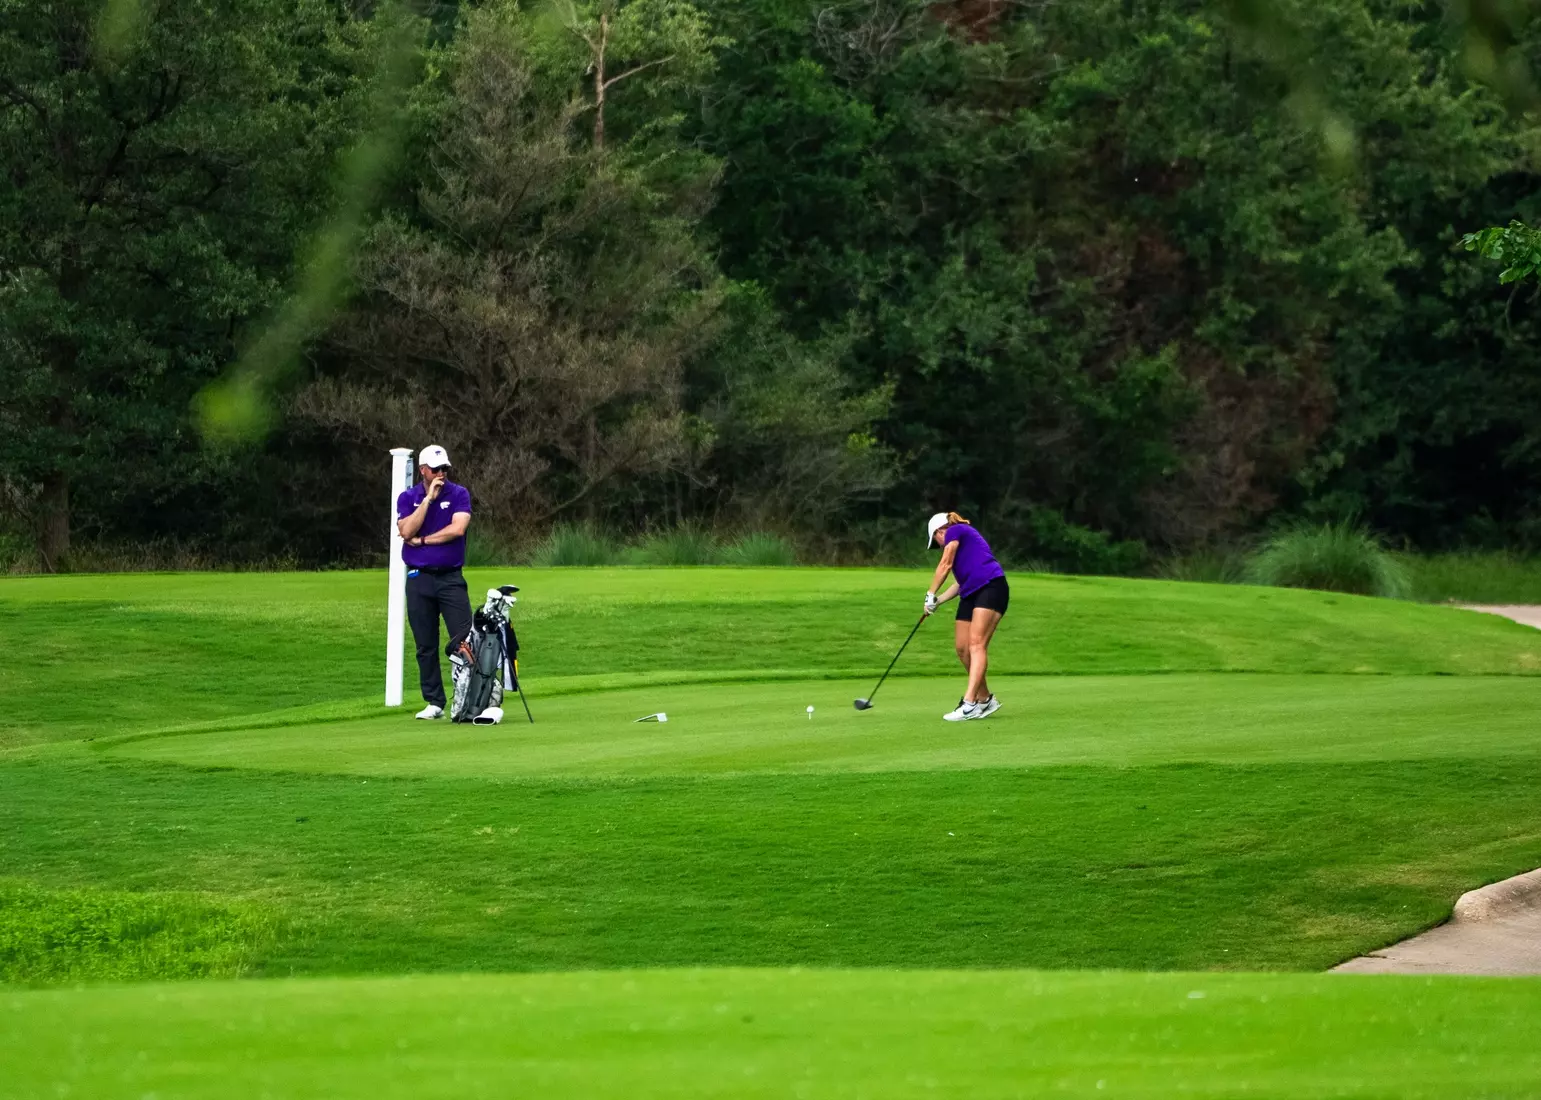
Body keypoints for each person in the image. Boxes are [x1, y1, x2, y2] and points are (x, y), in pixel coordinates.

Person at [396, 444, 474, 720]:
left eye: (445, 468)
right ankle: (434, 701)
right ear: (423, 471)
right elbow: (406, 530)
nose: (442, 473)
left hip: (450, 577)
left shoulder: (459, 494)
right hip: (419, 579)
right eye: (436, 469)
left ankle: (470, 698)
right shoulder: (409, 497)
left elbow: (458, 528)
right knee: (425, 644)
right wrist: (428, 500)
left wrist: (425, 540)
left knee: (464, 640)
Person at [923, 511, 1009, 721]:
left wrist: (930, 593)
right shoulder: (963, 550)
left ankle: (969, 703)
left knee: (976, 644)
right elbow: (961, 584)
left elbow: (945, 565)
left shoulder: (956, 530)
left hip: (991, 587)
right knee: (962, 648)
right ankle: (985, 699)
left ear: (939, 531)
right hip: (971, 593)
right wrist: (938, 601)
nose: (940, 546)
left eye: (937, 541)